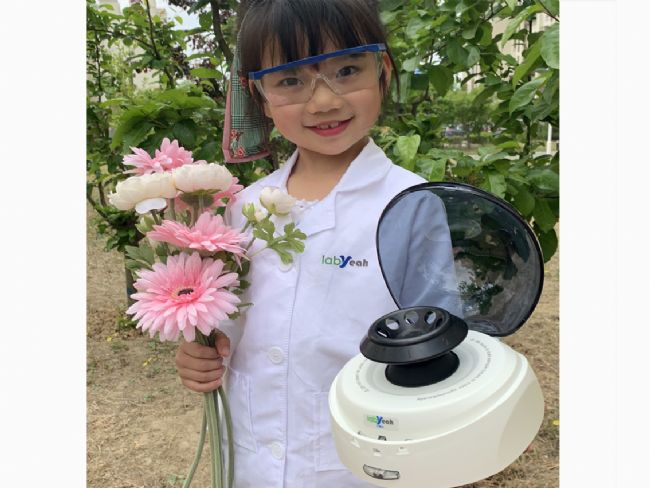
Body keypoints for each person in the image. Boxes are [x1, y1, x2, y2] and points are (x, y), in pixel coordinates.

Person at [175, 1, 449, 486]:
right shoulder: (244, 205)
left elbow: (440, 340)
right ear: (260, 96)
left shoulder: (412, 204)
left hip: (362, 462)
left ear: (382, 70)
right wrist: (202, 353)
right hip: (252, 460)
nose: (323, 101)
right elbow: (231, 326)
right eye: (290, 80)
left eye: (346, 70)